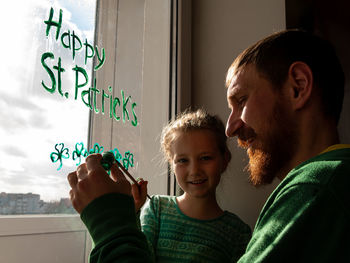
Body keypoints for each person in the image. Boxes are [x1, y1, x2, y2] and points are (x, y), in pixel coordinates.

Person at [67, 29, 350, 262]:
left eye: (241, 101)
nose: (230, 127)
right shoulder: (327, 186)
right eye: (181, 160)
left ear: (297, 87)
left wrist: (110, 224)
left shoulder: (316, 188)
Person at [131, 109, 251, 262]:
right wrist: (130, 213)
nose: (194, 170)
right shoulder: (157, 209)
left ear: (225, 159)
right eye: (182, 160)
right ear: (171, 164)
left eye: (205, 158)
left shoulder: (237, 232)